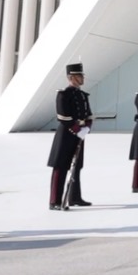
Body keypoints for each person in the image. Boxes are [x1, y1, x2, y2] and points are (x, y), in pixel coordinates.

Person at [48, 62, 92, 210]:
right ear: (71, 77)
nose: (82, 78)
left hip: (79, 133)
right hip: (66, 134)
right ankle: (55, 201)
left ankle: (74, 197)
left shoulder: (83, 95)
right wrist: (76, 129)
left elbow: (89, 115)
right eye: (80, 76)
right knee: (60, 167)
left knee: (76, 166)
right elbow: (62, 116)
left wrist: (86, 128)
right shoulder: (63, 94)